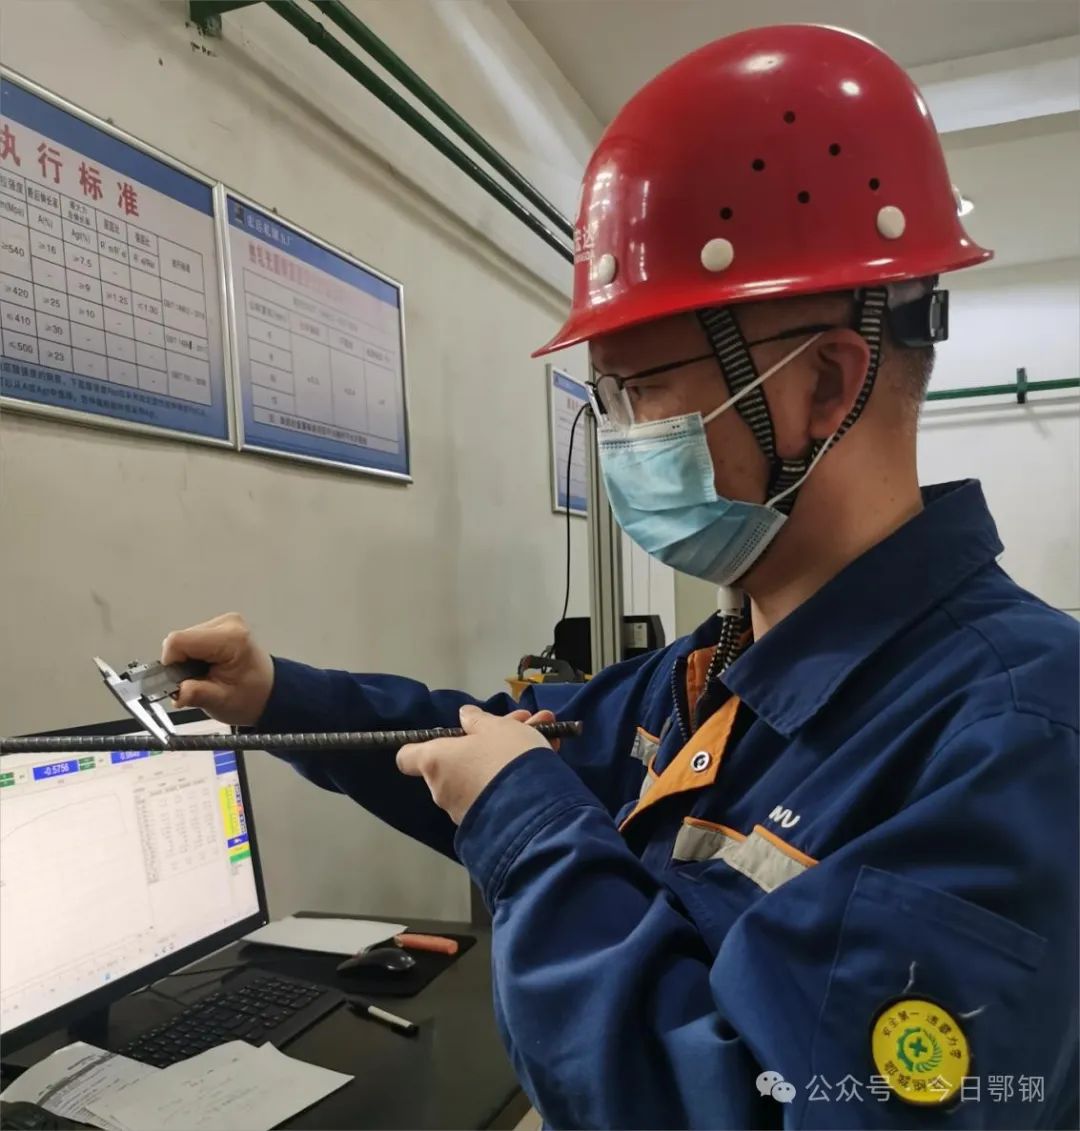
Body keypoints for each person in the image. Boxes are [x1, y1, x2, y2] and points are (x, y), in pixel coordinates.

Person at [163, 25, 1078, 1130]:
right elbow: (479, 749)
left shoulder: (1020, 737)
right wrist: (276, 698)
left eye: (637, 389)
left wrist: (532, 825)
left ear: (825, 386)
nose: (619, 438)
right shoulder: (713, 675)